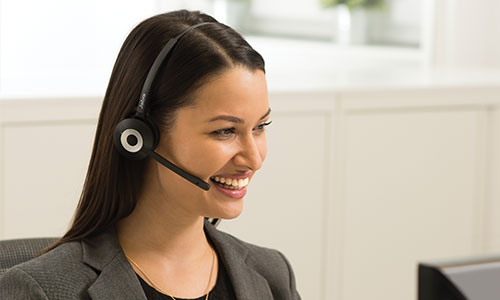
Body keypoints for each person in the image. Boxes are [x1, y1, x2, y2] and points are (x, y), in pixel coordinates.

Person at [0, 9, 301, 300]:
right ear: (140, 135)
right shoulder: (42, 291)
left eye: (261, 127)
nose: (254, 159)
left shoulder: (271, 275)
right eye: (225, 131)